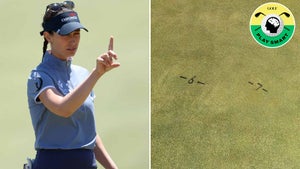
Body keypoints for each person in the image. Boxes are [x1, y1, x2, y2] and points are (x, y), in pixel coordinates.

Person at [26, 1, 119, 169]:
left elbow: (89, 134)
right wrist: (96, 73)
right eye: (65, 34)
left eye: (76, 34)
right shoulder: (39, 76)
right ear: (48, 36)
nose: (73, 40)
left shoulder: (83, 74)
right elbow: (63, 109)